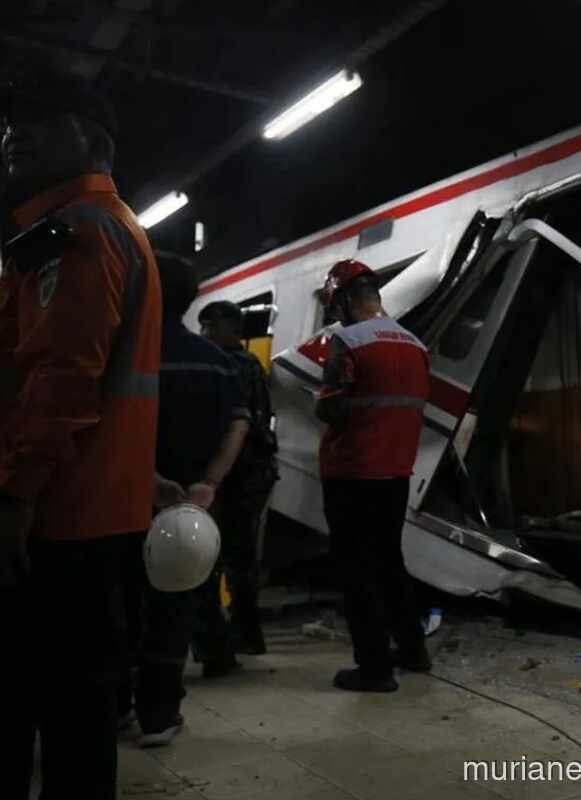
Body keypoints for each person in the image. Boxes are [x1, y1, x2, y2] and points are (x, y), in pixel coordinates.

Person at [0, 71, 161, 800]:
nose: (13, 134)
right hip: (93, 512)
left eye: (41, 118)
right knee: (78, 704)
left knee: (58, 709)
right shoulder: (83, 230)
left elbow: (60, 380)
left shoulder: (84, 233)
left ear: (93, 142)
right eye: (11, 123)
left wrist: (16, 495)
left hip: (60, 515)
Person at [120, 252, 249, 748]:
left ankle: (116, 707)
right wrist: (209, 483)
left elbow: (111, 426)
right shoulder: (216, 361)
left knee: (125, 605)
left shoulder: (126, 353)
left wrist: (150, 479)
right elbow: (240, 421)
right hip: (190, 509)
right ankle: (159, 715)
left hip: (127, 500)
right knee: (174, 608)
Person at [316, 258, 430, 692]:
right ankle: (414, 650)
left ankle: (375, 668)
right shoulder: (414, 343)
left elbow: (331, 405)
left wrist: (319, 403)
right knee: (389, 562)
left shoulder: (348, 340)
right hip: (396, 472)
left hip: (351, 472)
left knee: (356, 571)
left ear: (344, 299)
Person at [197, 299, 278, 656]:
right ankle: (247, 633)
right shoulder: (252, 364)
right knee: (241, 556)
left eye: (210, 326)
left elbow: (235, 425)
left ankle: (226, 636)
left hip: (235, 474)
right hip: (253, 472)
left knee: (222, 556)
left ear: (231, 328)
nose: (205, 333)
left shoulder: (228, 364)